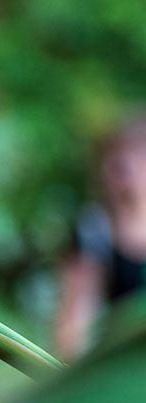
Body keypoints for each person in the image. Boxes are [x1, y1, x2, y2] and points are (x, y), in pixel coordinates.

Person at [55, 117, 146, 360]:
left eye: (136, 154)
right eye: (115, 157)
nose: (125, 165)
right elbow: (75, 318)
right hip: (117, 362)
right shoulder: (93, 229)